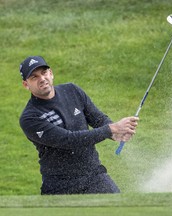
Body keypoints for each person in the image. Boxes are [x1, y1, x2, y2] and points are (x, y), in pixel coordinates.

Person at [19, 56, 139, 195]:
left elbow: (98, 119)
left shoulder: (72, 90)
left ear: (51, 73)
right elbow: (69, 140)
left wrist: (116, 133)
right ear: (26, 85)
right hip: (60, 187)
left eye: (44, 73)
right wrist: (111, 129)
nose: (42, 79)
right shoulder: (30, 117)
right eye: (34, 77)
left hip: (94, 176)